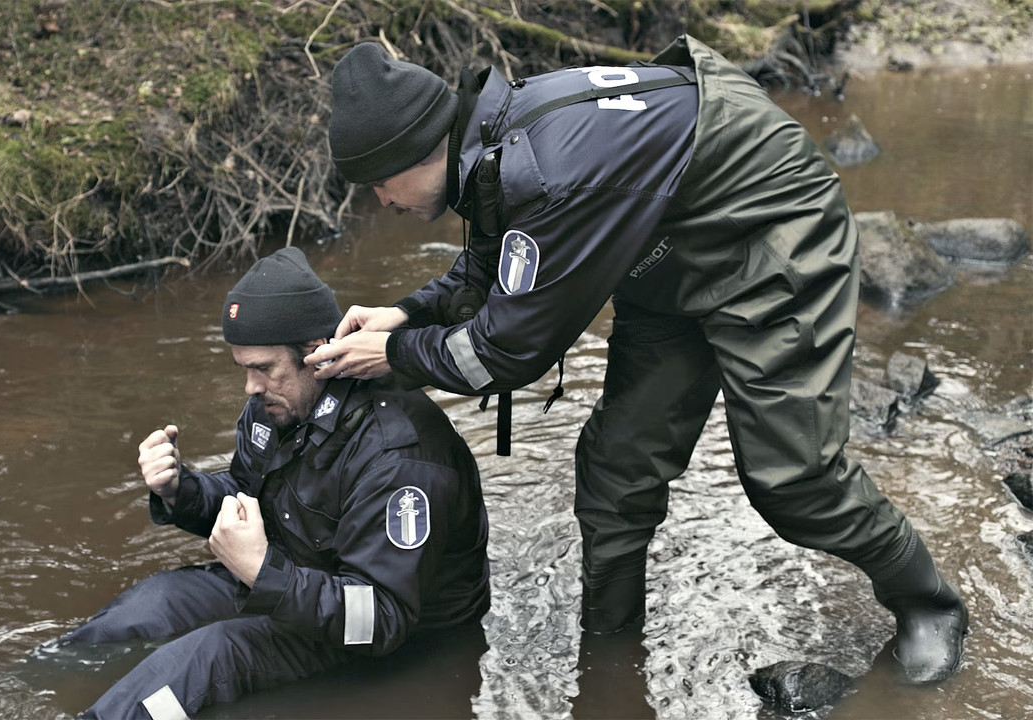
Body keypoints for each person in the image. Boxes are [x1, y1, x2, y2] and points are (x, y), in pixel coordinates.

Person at [306, 36, 968, 684]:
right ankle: (610, 648)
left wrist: (392, 354)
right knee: (617, 466)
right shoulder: (491, 142)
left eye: (379, 184)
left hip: (768, 224)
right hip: (664, 247)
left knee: (791, 477)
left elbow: (503, 355)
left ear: (420, 150)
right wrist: (408, 313)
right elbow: (491, 263)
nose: (381, 203)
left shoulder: (545, 172)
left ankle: (929, 603)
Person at [57, 247, 491, 719]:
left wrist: (265, 573)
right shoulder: (277, 405)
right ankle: (34, 679)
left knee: (204, 661)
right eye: (244, 368)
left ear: (316, 354)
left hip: (394, 639)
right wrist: (179, 491)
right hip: (293, 583)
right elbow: (247, 495)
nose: (250, 387)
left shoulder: (399, 456)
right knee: (147, 609)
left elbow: (380, 619)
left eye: (263, 368)